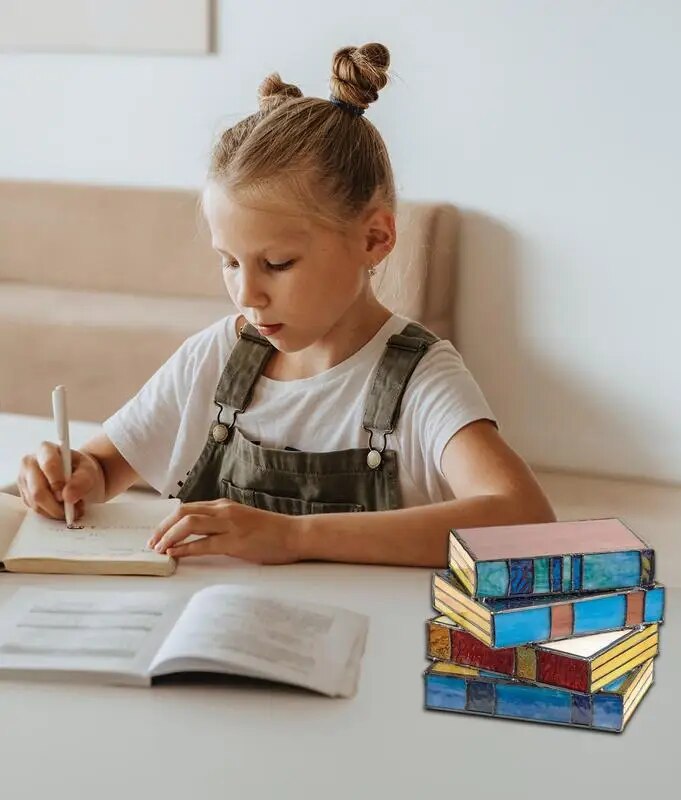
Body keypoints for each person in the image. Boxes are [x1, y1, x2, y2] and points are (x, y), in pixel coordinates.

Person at [17, 42, 555, 568]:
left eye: (277, 264)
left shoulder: (421, 380)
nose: (246, 295)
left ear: (374, 238)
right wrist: (75, 472)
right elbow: (106, 465)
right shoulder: (218, 357)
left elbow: (528, 524)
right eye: (230, 262)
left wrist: (296, 535)